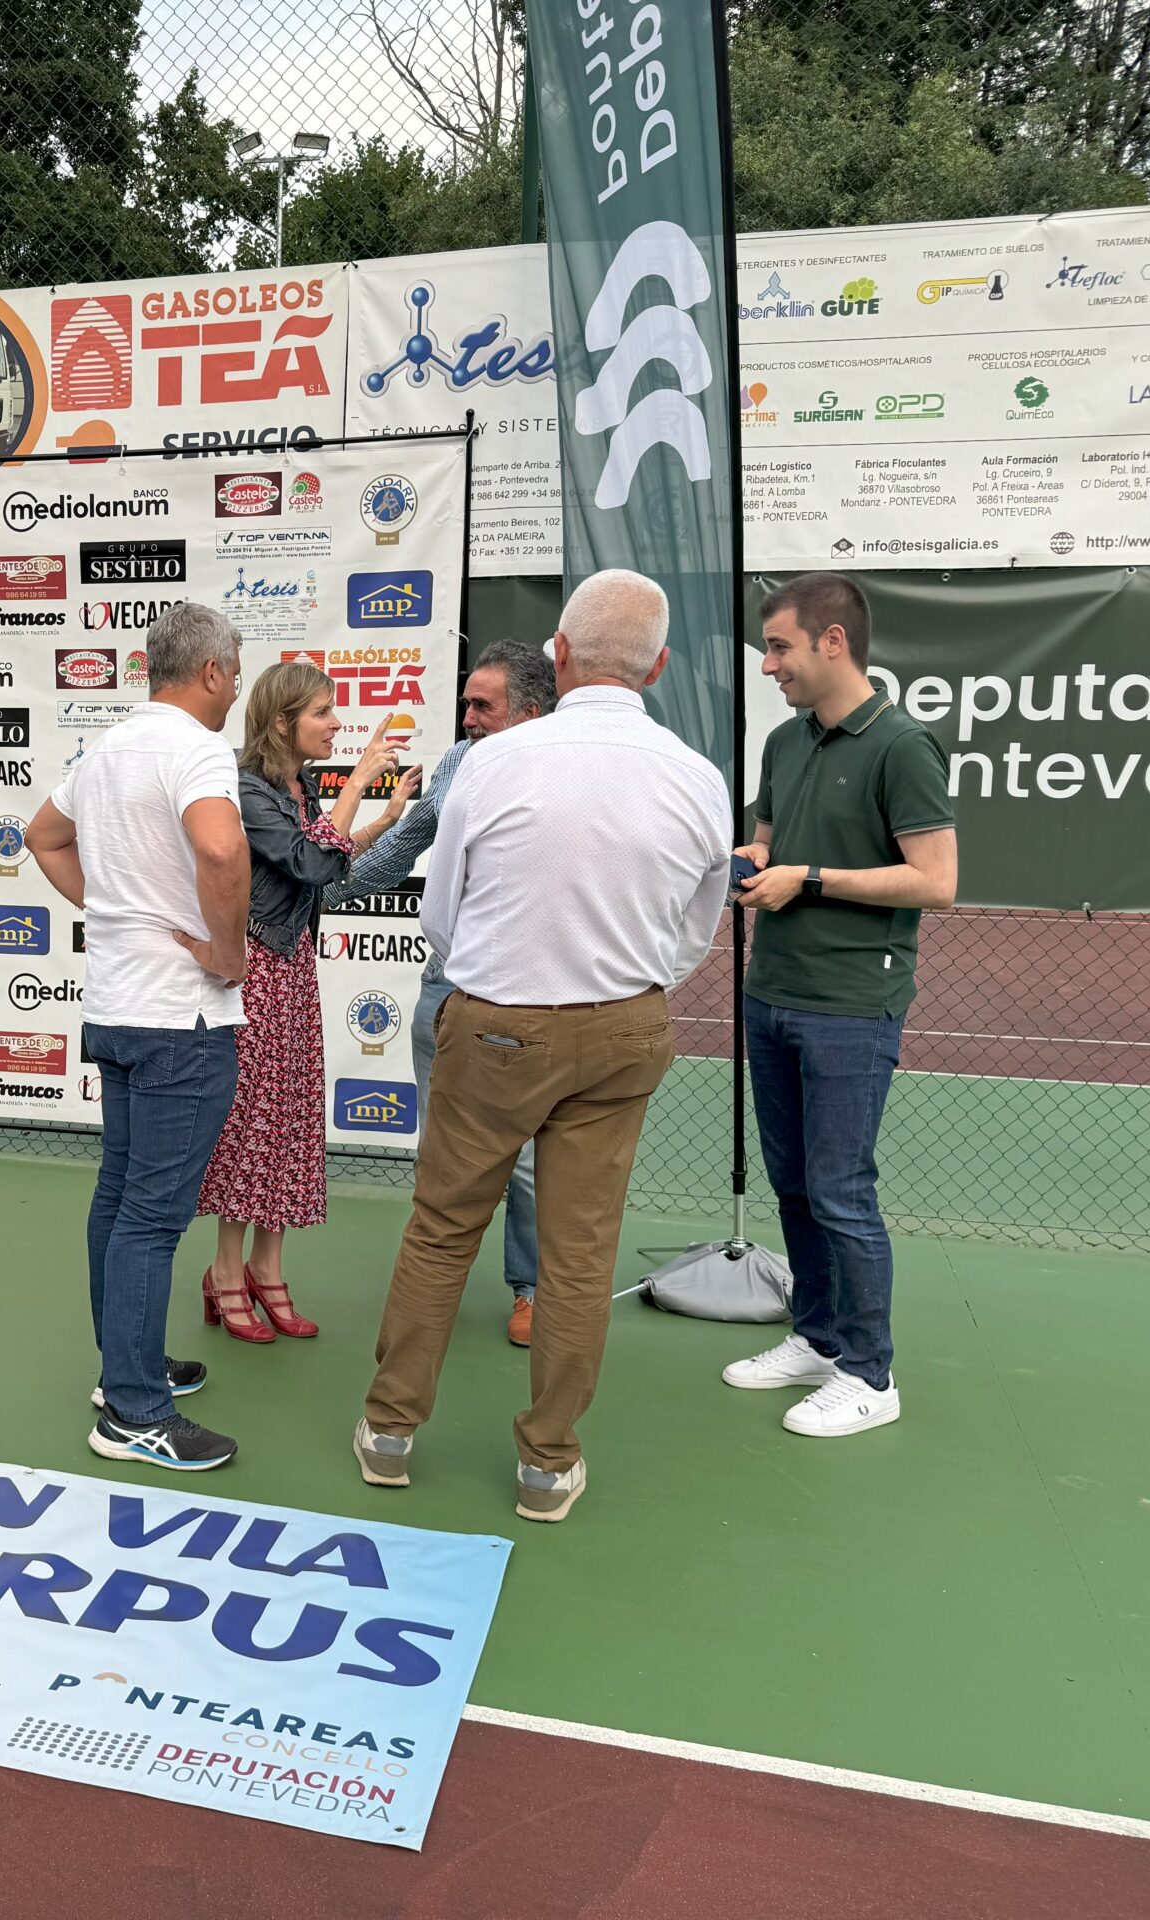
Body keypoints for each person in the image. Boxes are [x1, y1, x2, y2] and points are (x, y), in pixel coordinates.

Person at [354, 569, 730, 1523]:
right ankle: (548, 1463)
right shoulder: (697, 775)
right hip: (624, 1028)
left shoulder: (490, 765)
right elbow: (695, 928)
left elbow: (443, 909)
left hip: (494, 1021)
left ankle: (390, 1433)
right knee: (578, 1257)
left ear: (558, 656)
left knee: (442, 1229)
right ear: (659, 667)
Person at [724, 573, 956, 1438]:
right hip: (772, 996)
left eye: (779, 647)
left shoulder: (903, 744)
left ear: (832, 642)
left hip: (852, 1007)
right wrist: (749, 860)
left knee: (841, 1190)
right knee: (793, 1185)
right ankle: (818, 1340)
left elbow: (937, 882)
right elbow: (771, 840)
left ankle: (871, 1372)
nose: (770, 664)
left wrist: (811, 880)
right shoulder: (785, 744)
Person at [25, 603, 251, 1472]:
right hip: (179, 1019)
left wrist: (112, 912)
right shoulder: (195, 749)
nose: (233, 684)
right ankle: (134, 1414)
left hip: (119, 1008)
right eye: (233, 670)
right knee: (150, 1218)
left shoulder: (109, 746)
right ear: (212, 673)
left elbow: (44, 836)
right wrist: (227, 952)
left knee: (120, 1200)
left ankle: (129, 1370)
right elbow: (222, 853)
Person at [326, 638, 556, 1347]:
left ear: (531, 711)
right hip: (444, 990)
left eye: (482, 705)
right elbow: (404, 845)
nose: (467, 718)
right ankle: (435, 1284)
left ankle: (533, 1290)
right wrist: (324, 883)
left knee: (522, 1161)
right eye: (466, 703)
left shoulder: (563, 770)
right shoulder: (457, 765)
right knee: (443, 1154)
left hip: (530, 997)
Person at [196, 664, 418, 1342]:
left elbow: (329, 862)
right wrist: (359, 781)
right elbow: (307, 860)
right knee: (251, 1126)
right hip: (257, 971)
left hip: (293, 971)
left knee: (289, 1122)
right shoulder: (248, 786)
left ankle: (269, 1269)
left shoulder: (300, 784)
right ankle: (225, 1273)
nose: (336, 723)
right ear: (282, 720)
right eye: (323, 712)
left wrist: (380, 818)